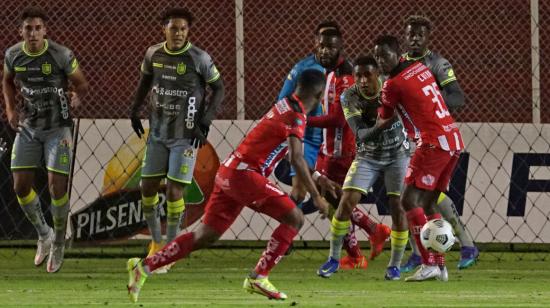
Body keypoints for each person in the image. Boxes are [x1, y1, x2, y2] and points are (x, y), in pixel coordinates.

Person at [127, 69, 333, 302]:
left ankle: (144, 267)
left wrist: (316, 176)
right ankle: (258, 276)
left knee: (204, 236)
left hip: (229, 172)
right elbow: (296, 157)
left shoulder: (285, 105)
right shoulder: (296, 116)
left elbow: (286, 153)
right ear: (317, 96)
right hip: (244, 175)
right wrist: (316, 197)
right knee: (295, 218)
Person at [278, 22, 389, 268]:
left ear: (340, 48)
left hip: (341, 147)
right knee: (333, 199)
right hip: (327, 145)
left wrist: (304, 121)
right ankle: (367, 239)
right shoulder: (320, 69)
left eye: (332, 47)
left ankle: (358, 248)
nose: (326, 51)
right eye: (322, 46)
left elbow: (339, 118)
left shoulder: (346, 76)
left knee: (334, 200)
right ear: (315, 44)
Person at [128, 7, 224, 269]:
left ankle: (169, 250)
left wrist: (206, 120)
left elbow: (219, 88)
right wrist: (134, 109)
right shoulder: (153, 54)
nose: (179, 33)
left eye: (183, 29)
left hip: (186, 136)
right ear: (164, 29)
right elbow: (145, 81)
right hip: (158, 134)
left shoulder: (199, 58)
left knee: (174, 190)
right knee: (146, 187)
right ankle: (156, 242)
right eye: (174, 28)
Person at [3, 6, 89, 273]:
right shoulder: (13, 55)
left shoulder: (60, 54)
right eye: (28, 28)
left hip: (58, 128)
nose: (33, 33)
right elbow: (7, 81)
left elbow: (81, 83)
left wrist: (77, 95)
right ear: (21, 31)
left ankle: (60, 242)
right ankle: (44, 234)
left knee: (56, 188)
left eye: (38, 28)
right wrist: (10, 109)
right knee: (19, 186)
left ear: (45, 31)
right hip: (29, 127)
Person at [373, 35, 464, 282]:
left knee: (408, 200)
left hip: (432, 142)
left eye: (384, 55)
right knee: (428, 204)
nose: (380, 61)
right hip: (453, 139)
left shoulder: (391, 84)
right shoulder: (420, 68)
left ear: (396, 54)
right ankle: (439, 266)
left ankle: (427, 262)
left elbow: (384, 117)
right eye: (377, 56)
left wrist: (365, 132)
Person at [318, 56, 409, 280]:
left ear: (377, 74)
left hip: (398, 155)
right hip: (367, 156)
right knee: (345, 200)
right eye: (358, 75)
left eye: (367, 75)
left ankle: (395, 265)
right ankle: (333, 259)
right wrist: (382, 123)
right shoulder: (348, 97)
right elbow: (359, 135)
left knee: (397, 206)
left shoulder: (392, 88)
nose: (362, 80)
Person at [399, 15, 478, 272]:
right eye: (411, 34)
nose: (415, 39)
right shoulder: (399, 64)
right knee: (411, 198)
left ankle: (464, 244)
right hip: (407, 139)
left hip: (434, 139)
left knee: (426, 198)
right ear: (405, 35)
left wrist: (428, 99)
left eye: (420, 35)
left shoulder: (438, 64)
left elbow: (457, 97)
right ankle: (419, 252)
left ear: (428, 38)